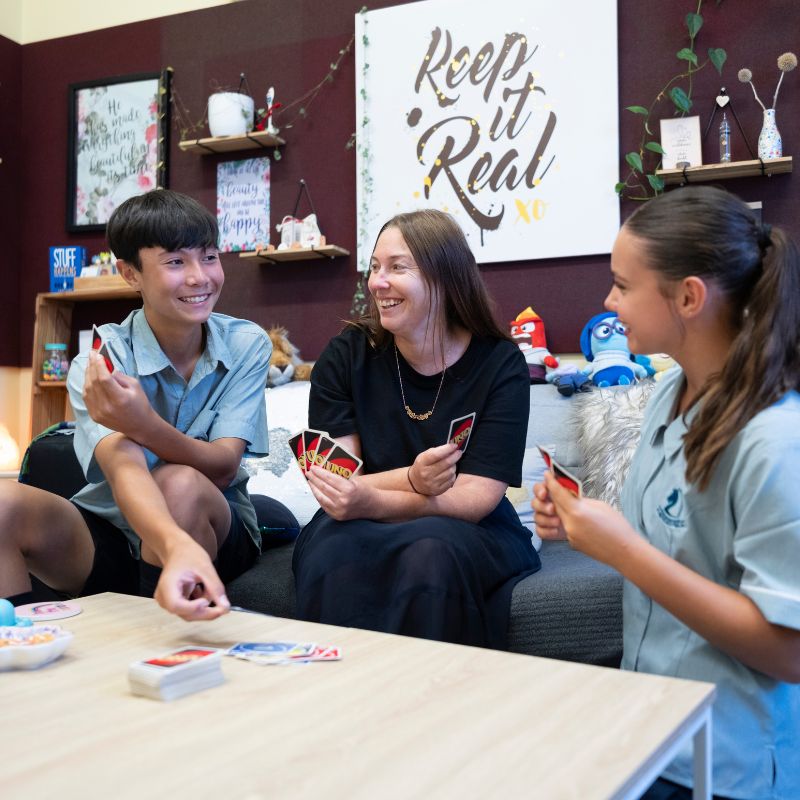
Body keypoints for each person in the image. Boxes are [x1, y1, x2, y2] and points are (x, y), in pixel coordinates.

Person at [533, 186, 800, 800]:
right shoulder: (664, 395)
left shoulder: (774, 439)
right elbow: (662, 538)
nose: (607, 301)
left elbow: (787, 650)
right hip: (652, 732)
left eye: (623, 285)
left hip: (731, 767)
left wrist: (623, 550)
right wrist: (579, 522)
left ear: (688, 297)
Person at [0, 189, 271, 621]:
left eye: (209, 256)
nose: (200, 276)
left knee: (179, 482)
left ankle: (170, 653)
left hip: (211, 528)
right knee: (2, 504)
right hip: (114, 529)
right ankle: (20, 652)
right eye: (176, 261)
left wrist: (143, 423)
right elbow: (123, 467)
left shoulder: (245, 344)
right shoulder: (103, 361)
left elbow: (221, 467)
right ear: (130, 274)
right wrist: (170, 542)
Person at [293, 209, 541, 648]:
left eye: (397, 267)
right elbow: (338, 484)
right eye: (374, 268)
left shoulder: (499, 363)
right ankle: (333, 701)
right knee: (333, 551)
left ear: (445, 278)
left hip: (467, 525)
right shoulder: (346, 355)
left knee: (431, 552)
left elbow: (473, 497)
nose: (377, 282)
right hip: (355, 518)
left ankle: (429, 703)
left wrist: (374, 496)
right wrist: (413, 480)